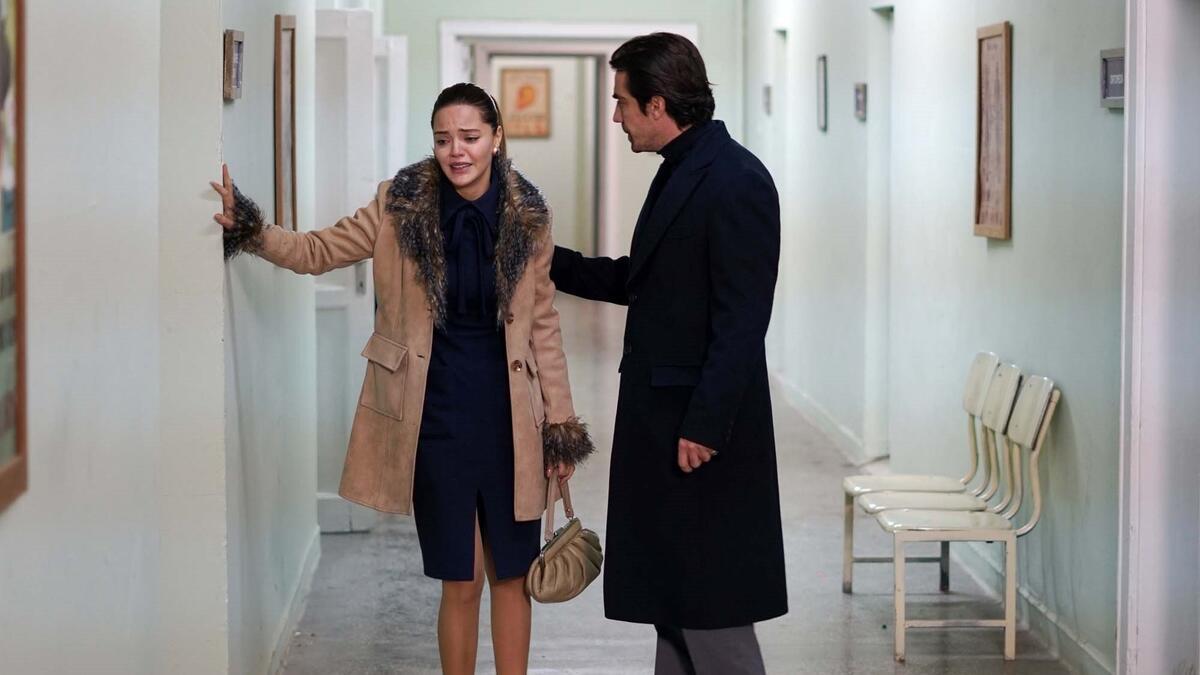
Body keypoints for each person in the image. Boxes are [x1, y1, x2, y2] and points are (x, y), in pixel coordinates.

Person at [212, 83, 594, 675]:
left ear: (496, 139)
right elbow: (317, 250)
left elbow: (543, 325)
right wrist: (253, 230)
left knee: (513, 577)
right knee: (460, 579)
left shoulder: (529, 218)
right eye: (443, 139)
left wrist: (561, 426)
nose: (456, 151)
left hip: (512, 423)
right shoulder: (399, 206)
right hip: (432, 418)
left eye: (470, 137)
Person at [549, 33, 786, 674]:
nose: (616, 117)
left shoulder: (736, 181)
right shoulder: (682, 169)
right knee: (674, 599)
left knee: (711, 603)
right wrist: (547, 260)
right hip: (661, 421)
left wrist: (705, 425)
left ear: (657, 104)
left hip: (698, 433)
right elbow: (644, 280)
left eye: (622, 102)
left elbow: (742, 322)